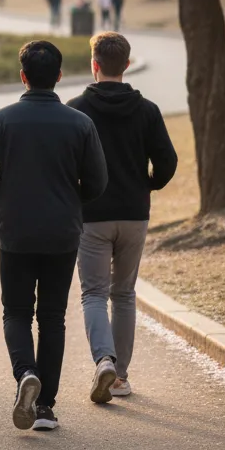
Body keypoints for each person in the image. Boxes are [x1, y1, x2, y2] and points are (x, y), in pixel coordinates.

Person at [0, 41, 108, 433]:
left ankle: (25, 374)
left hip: (14, 231)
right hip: (62, 232)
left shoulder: (0, 120)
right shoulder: (80, 124)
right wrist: (71, 202)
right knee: (52, 316)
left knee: (15, 311)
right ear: (60, 77)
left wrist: (4, 204)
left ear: (23, 76)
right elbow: (98, 181)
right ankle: (46, 406)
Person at [68, 33, 177, 402]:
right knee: (124, 294)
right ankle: (120, 378)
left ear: (94, 65)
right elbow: (168, 161)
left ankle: (104, 360)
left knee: (94, 293)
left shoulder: (77, 108)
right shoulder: (147, 110)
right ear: (127, 65)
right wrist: (148, 184)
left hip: (92, 215)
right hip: (134, 212)